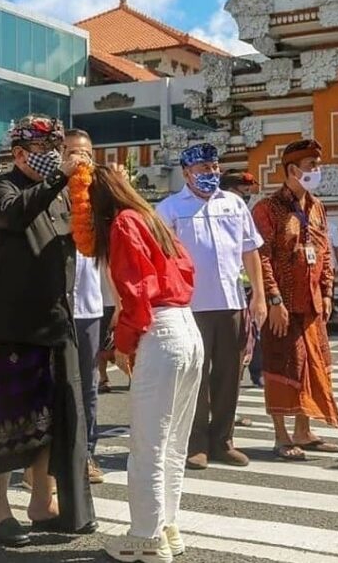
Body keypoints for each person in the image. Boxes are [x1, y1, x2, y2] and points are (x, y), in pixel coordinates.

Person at [0, 114, 96, 549]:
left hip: (54, 318)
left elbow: (84, 236)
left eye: (58, 150)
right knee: (6, 416)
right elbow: (15, 214)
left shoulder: (65, 193)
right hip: (8, 322)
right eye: (46, 151)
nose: (54, 158)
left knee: (52, 416)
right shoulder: (2, 188)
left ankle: (42, 502)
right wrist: (56, 181)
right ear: (21, 153)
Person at [90, 164, 202, 563]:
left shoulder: (122, 223)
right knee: (173, 442)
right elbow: (188, 270)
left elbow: (134, 292)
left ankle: (146, 537)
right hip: (186, 325)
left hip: (160, 329)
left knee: (148, 444)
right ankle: (167, 526)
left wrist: (123, 344)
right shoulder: (150, 217)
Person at [157, 146, 267, 470]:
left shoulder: (233, 204)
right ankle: (195, 443)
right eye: (203, 167)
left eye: (215, 165)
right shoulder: (170, 209)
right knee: (194, 378)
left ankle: (223, 440)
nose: (211, 172)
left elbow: (251, 252)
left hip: (231, 303)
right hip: (190, 307)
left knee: (229, 376)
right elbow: (162, 260)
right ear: (187, 172)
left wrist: (258, 295)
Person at [251, 139, 338, 461]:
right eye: (311, 166)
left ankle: (304, 431)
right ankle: (281, 435)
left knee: (312, 366)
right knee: (282, 366)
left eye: (318, 165)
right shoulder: (267, 208)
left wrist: (328, 292)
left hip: (314, 304)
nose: (317, 171)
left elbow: (325, 253)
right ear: (291, 170)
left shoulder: (317, 207)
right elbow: (261, 258)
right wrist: (274, 300)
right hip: (284, 306)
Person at [63, 128, 105, 483]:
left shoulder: (101, 197)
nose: (80, 160)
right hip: (54, 305)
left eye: (86, 154)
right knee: (55, 383)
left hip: (90, 308)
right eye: (73, 153)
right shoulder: (50, 193)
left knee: (88, 385)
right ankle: (51, 458)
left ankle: (87, 454)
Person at [220, 172, 263, 390]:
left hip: (245, 290)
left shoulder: (244, 212)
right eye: (243, 192)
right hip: (222, 293)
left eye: (248, 193)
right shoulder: (214, 213)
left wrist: (260, 292)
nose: (246, 197)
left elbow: (253, 251)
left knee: (251, 337)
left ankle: (255, 373)